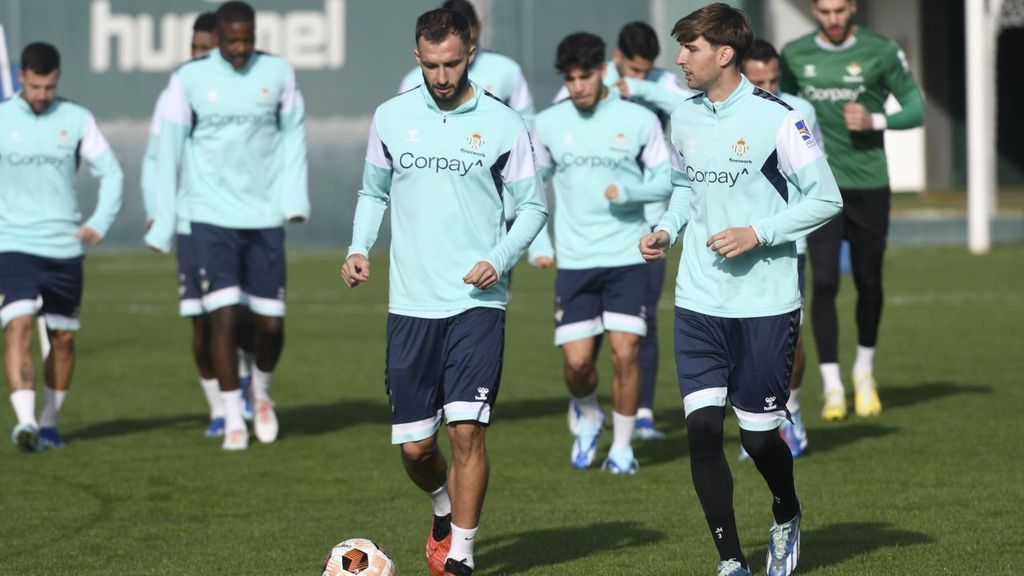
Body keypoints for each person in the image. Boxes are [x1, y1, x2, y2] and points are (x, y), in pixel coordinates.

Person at [341, 9, 546, 575]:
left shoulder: (505, 123)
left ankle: (462, 555)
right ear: (417, 59)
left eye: (451, 63)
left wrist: (499, 260)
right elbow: (372, 192)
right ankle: (441, 506)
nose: (441, 75)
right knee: (416, 450)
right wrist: (359, 247)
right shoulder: (390, 117)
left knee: (466, 433)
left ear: (471, 53)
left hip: (477, 304)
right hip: (410, 304)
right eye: (431, 65)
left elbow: (533, 207)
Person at [639, 4, 842, 575]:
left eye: (691, 48)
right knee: (703, 432)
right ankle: (731, 562)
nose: (679, 59)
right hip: (698, 301)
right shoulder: (683, 116)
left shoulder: (780, 118)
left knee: (757, 441)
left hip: (764, 306)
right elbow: (684, 187)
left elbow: (826, 200)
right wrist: (666, 228)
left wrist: (758, 232)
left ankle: (786, 509)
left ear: (725, 53)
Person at [144, 1, 310, 451]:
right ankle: (232, 415)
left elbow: (294, 134)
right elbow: (166, 155)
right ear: (217, 38)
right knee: (222, 318)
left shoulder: (278, 73)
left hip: (263, 218)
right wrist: (162, 223)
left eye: (247, 39)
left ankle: (260, 393)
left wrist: (294, 199)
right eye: (232, 40)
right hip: (209, 217)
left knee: (270, 326)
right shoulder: (188, 81)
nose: (240, 48)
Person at [541, 22, 692, 441]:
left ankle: (638, 420)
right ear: (617, 61)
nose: (577, 86)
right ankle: (589, 407)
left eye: (647, 71)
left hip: (643, 233)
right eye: (633, 71)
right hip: (578, 253)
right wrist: (537, 240)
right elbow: (537, 169)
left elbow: (687, 107)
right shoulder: (562, 109)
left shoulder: (653, 93)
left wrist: (637, 89)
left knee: (636, 338)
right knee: (579, 360)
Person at [780, 0, 925, 420]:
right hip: (820, 189)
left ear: (853, 8)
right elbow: (781, 107)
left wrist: (877, 120)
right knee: (823, 282)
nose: (833, 19)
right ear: (813, 11)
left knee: (869, 281)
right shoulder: (795, 54)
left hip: (869, 185)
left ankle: (863, 370)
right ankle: (832, 386)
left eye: (840, 10)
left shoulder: (880, 51)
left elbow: (915, 108)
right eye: (824, 12)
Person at [0, 42, 124, 451]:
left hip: (64, 249)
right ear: (21, 78)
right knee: (17, 325)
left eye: (49, 87)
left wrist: (99, 221)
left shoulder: (76, 119)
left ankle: (49, 424)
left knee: (63, 339)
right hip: (13, 244)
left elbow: (112, 173)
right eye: (35, 87)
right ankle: (25, 422)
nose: (42, 95)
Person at [140, 12, 238, 439]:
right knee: (202, 322)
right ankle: (219, 409)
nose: (198, 56)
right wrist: (159, 209)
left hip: (238, 219)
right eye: (194, 48)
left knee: (242, 316)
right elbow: (155, 157)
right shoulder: (177, 91)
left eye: (207, 49)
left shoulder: (240, 91)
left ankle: (246, 393)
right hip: (189, 222)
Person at [739, 37, 825, 458]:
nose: (769, 88)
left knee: (789, 337)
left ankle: (792, 414)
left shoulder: (799, 113)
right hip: (737, 244)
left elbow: (817, 182)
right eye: (759, 81)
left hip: (790, 244)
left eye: (775, 79)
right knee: (741, 339)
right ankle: (753, 422)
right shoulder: (728, 114)